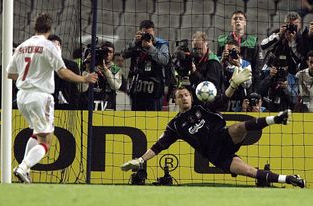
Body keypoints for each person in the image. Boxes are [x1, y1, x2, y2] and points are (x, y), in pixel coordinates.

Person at [120, 70, 305, 188]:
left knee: (241, 126)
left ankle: (278, 118)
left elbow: (223, 99)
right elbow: (159, 146)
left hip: (225, 137)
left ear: (191, 97)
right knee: (250, 172)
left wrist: (233, 84)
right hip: (218, 156)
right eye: (180, 96)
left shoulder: (202, 107)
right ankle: (289, 179)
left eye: (186, 95)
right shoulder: (175, 126)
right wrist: (140, 160)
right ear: (174, 101)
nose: (184, 98)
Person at [6, 13, 98, 183]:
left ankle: (25, 168)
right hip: (40, 96)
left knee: (37, 133)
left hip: (22, 97)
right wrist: (84, 79)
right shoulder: (48, 46)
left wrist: (30, 76)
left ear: (35, 27)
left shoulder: (22, 46)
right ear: (50, 28)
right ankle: (23, 167)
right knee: (46, 140)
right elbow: (63, 73)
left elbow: (10, 73)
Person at [122, 20, 170, 111]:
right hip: (137, 89)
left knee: (154, 120)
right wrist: (134, 43)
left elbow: (164, 61)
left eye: (150, 34)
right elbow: (123, 55)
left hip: (155, 90)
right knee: (136, 118)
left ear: (154, 32)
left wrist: (151, 48)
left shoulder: (161, 45)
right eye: (145, 34)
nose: (148, 37)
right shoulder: (136, 43)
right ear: (140, 32)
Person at [217, 11, 260, 89]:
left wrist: (254, 88)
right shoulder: (222, 41)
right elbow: (218, 63)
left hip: (246, 81)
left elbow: (257, 66)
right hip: (226, 82)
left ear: (245, 22)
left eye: (241, 18)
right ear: (231, 22)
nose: (238, 20)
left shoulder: (252, 41)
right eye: (235, 19)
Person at [81, 41, 122, 110]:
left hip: (107, 106)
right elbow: (82, 89)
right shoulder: (89, 66)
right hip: (88, 104)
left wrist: (105, 70)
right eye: (105, 52)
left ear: (113, 54)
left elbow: (115, 86)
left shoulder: (114, 68)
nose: (108, 54)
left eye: (110, 52)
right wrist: (87, 68)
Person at [189, 31, 225, 108]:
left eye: (200, 49)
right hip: (196, 101)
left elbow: (211, 86)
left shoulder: (213, 62)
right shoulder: (193, 59)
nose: (197, 52)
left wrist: (195, 72)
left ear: (207, 45)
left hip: (210, 103)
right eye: (195, 49)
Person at [48, 34, 80, 109]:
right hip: (49, 106)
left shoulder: (72, 65)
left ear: (61, 47)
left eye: (57, 45)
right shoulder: (43, 66)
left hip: (68, 107)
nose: (55, 48)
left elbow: (75, 89)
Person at [220, 39, 252, 112]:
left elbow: (247, 84)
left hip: (240, 101)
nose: (230, 53)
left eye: (232, 50)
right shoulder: (221, 62)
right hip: (224, 99)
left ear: (238, 50)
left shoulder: (246, 64)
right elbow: (216, 78)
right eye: (228, 51)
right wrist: (222, 61)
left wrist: (238, 66)